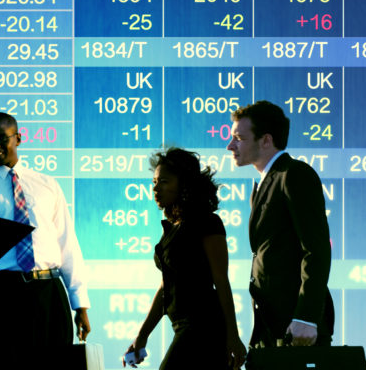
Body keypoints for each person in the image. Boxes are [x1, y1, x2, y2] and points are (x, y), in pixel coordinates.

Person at [0, 112, 90, 369]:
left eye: (1, 138)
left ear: (18, 138)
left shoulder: (48, 185)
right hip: (0, 295)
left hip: (49, 292)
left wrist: (79, 303)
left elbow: (67, 243)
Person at [125, 148, 246, 369]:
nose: (155, 188)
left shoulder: (207, 223)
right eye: (154, 181)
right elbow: (165, 288)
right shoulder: (171, 229)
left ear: (184, 185)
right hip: (182, 327)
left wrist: (233, 337)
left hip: (204, 328)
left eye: (164, 182)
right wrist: (142, 335)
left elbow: (221, 280)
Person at [226, 100, 333, 347]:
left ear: (265, 140)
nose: (230, 145)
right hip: (271, 325)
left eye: (239, 138)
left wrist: (306, 317)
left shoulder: (294, 174)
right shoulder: (263, 186)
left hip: (296, 327)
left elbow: (316, 249)